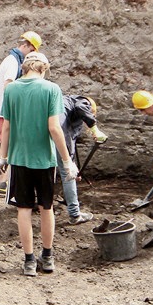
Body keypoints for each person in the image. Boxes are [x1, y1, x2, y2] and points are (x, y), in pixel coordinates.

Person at [0, 52, 79, 277]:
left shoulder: (11, 89)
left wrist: (1, 157)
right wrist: (67, 161)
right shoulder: (51, 89)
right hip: (44, 160)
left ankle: (29, 261)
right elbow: (54, 128)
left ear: (25, 68)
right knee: (46, 207)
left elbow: (6, 127)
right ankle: (48, 258)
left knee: (23, 209)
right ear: (43, 68)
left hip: (19, 159)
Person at [0, 30, 42, 194]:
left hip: (4, 111)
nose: (32, 55)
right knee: (8, 147)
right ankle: (3, 183)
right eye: (32, 51)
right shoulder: (13, 61)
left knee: (7, 146)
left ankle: (4, 182)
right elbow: (9, 85)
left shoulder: (12, 59)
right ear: (25, 45)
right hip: (7, 112)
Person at [55, 95, 107, 225]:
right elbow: (81, 107)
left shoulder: (64, 104)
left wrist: (73, 165)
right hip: (57, 132)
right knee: (67, 175)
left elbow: (71, 138)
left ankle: (39, 202)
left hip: (41, 131)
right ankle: (75, 214)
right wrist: (95, 129)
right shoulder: (82, 102)